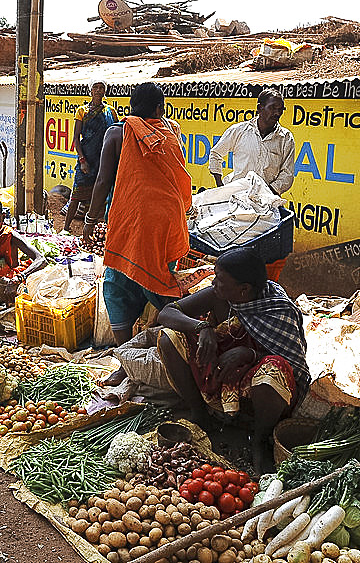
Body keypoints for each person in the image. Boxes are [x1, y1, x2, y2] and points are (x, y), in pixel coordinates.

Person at [156, 248, 309, 474]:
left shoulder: (277, 309)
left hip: (255, 387)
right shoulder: (218, 295)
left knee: (274, 371)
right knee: (169, 337)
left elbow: (293, 366)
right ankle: (200, 415)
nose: (214, 283)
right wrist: (202, 327)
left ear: (244, 290)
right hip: (218, 372)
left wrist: (249, 354)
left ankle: (260, 439)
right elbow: (167, 313)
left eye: (220, 280)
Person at [82, 82, 192, 346]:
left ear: (130, 108)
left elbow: (102, 181)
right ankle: (179, 343)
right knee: (159, 281)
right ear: (159, 108)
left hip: (131, 218)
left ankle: (127, 355)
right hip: (167, 220)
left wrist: (90, 219)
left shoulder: (117, 132)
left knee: (117, 284)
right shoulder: (170, 132)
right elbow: (177, 176)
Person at [208, 88, 296, 196]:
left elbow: (287, 174)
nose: (277, 113)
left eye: (281, 109)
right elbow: (215, 154)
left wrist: (266, 193)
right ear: (260, 108)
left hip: (266, 201)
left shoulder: (286, 138)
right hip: (236, 197)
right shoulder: (239, 130)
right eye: (273, 108)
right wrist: (220, 186)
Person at [64, 80, 120, 232]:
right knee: (76, 194)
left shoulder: (111, 112)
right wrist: (82, 160)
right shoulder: (82, 111)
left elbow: (116, 133)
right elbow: (76, 138)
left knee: (103, 194)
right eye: (95, 87)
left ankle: (100, 230)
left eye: (101, 88)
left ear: (105, 91)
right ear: (90, 90)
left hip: (105, 159)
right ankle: (66, 228)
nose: (98, 90)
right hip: (87, 157)